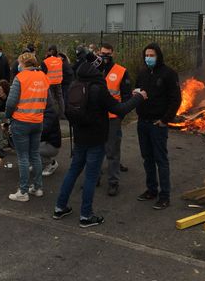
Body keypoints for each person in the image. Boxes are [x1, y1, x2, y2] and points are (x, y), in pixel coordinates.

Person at [53, 52, 147, 228]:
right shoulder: (98, 88)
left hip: (80, 136)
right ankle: (86, 216)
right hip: (96, 138)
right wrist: (138, 98)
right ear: (97, 71)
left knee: (73, 171)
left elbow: (68, 109)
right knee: (91, 176)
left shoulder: (75, 83)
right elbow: (119, 109)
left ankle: (60, 207)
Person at [135, 43, 181, 210]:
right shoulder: (142, 73)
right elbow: (138, 91)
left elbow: (176, 99)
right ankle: (151, 190)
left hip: (157, 124)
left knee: (161, 159)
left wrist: (165, 120)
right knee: (147, 158)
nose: (148, 58)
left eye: (152, 55)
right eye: (146, 55)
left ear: (158, 56)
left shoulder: (169, 74)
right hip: (143, 123)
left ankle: (164, 196)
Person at [5, 52, 50, 202]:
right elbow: (48, 100)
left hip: (21, 122)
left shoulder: (20, 78)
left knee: (23, 157)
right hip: (37, 121)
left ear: (23, 64)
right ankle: (37, 188)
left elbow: (11, 103)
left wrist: (8, 116)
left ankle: (23, 191)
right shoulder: (43, 77)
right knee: (35, 154)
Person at [98, 42, 132, 196]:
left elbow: (126, 96)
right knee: (95, 150)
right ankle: (95, 178)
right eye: (102, 53)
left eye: (107, 53)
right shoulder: (94, 68)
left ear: (112, 53)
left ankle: (113, 183)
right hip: (96, 117)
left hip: (112, 118)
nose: (105, 56)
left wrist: (120, 115)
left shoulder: (121, 71)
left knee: (112, 152)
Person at [41, 45, 70, 116]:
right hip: (58, 82)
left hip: (50, 82)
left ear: (50, 51)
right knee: (60, 98)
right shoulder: (59, 60)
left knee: (52, 99)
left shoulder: (45, 61)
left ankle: (53, 114)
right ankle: (62, 114)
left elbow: (43, 73)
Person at [40, 100, 61, 176]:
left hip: (51, 145)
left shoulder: (49, 113)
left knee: (30, 147)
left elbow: (43, 131)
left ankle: (51, 163)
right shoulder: (43, 111)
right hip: (46, 142)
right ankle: (38, 163)